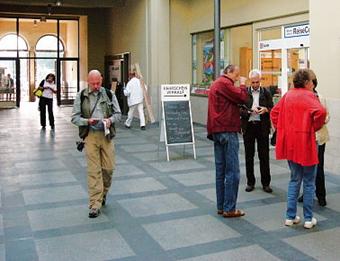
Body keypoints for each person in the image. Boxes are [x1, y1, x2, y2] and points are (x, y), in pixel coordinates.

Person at [270, 69, 326, 229]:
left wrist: (282, 128)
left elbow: (274, 112)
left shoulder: (288, 95)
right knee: (309, 181)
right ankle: (308, 219)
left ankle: (290, 216)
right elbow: (321, 112)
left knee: (294, 179)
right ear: (307, 82)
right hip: (306, 142)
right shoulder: (309, 96)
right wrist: (314, 126)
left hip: (291, 143)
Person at [71, 70, 121, 218]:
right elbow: (74, 118)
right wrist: (87, 121)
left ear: (101, 79)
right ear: (88, 81)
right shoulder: (81, 96)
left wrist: (109, 120)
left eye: (98, 82)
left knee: (109, 168)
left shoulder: (109, 94)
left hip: (106, 135)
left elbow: (118, 114)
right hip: (90, 136)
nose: (96, 86)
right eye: (93, 83)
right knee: (94, 171)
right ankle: (95, 204)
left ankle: (103, 193)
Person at [207, 64, 248, 218]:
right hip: (227, 130)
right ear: (229, 72)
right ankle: (230, 208)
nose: (237, 78)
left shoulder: (217, 84)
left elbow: (231, 104)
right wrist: (243, 84)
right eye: (237, 75)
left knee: (221, 170)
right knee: (232, 171)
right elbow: (242, 97)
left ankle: (221, 206)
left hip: (216, 130)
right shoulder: (225, 83)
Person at [298, 70, 330, 206]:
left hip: (318, 137)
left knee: (319, 166)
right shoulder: (301, 98)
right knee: (306, 166)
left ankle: (321, 195)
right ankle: (307, 193)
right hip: (306, 137)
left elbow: (326, 115)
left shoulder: (320, 97)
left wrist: (317, 122)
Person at [240, 69, 273, 193]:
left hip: (262, 126)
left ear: (260, 80)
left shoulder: (266, 92)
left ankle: (266, 183)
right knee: (249, 156)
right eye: (253, 82)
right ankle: (250, 182)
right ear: (249, 81)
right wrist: (248, 111)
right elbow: (239, 109)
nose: (255, 85)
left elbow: (272, 108)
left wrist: (265, 109)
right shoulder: (244, 93)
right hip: (248, 127)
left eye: (257, 82)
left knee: (264, 156)